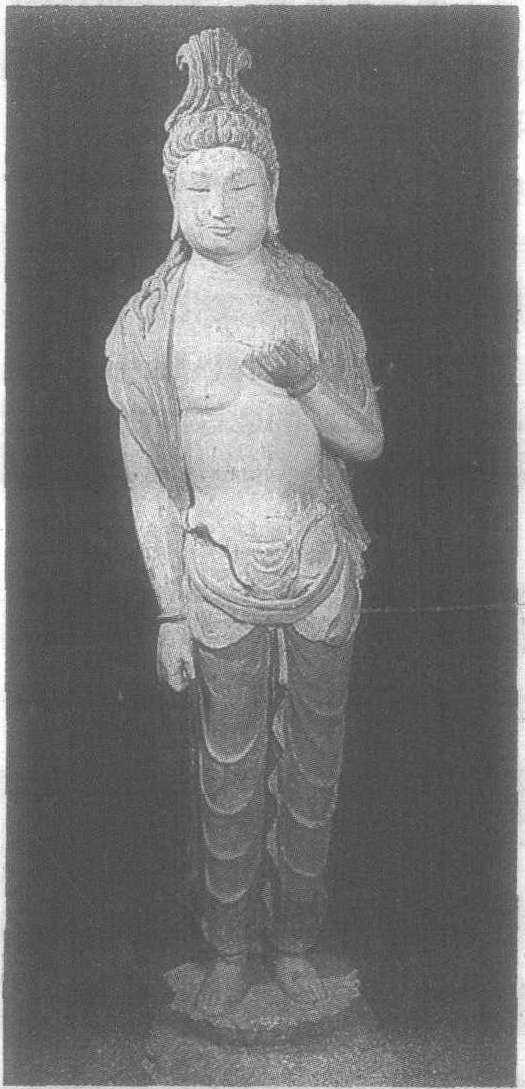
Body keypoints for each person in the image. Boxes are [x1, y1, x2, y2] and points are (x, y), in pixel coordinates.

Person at [106, 27, 383, 1017]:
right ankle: (226, 951)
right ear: (172, 196)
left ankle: (297, 943)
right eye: (199, 186)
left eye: (241, 182)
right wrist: (169, 610)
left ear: (275, 190)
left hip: (317, 560)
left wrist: (307, 383)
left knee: (313, 769)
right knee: (227, 775)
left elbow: (366, 438)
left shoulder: (313, 301)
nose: (219, 204)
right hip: (215, 566)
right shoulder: (152, 323)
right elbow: (151, 484)